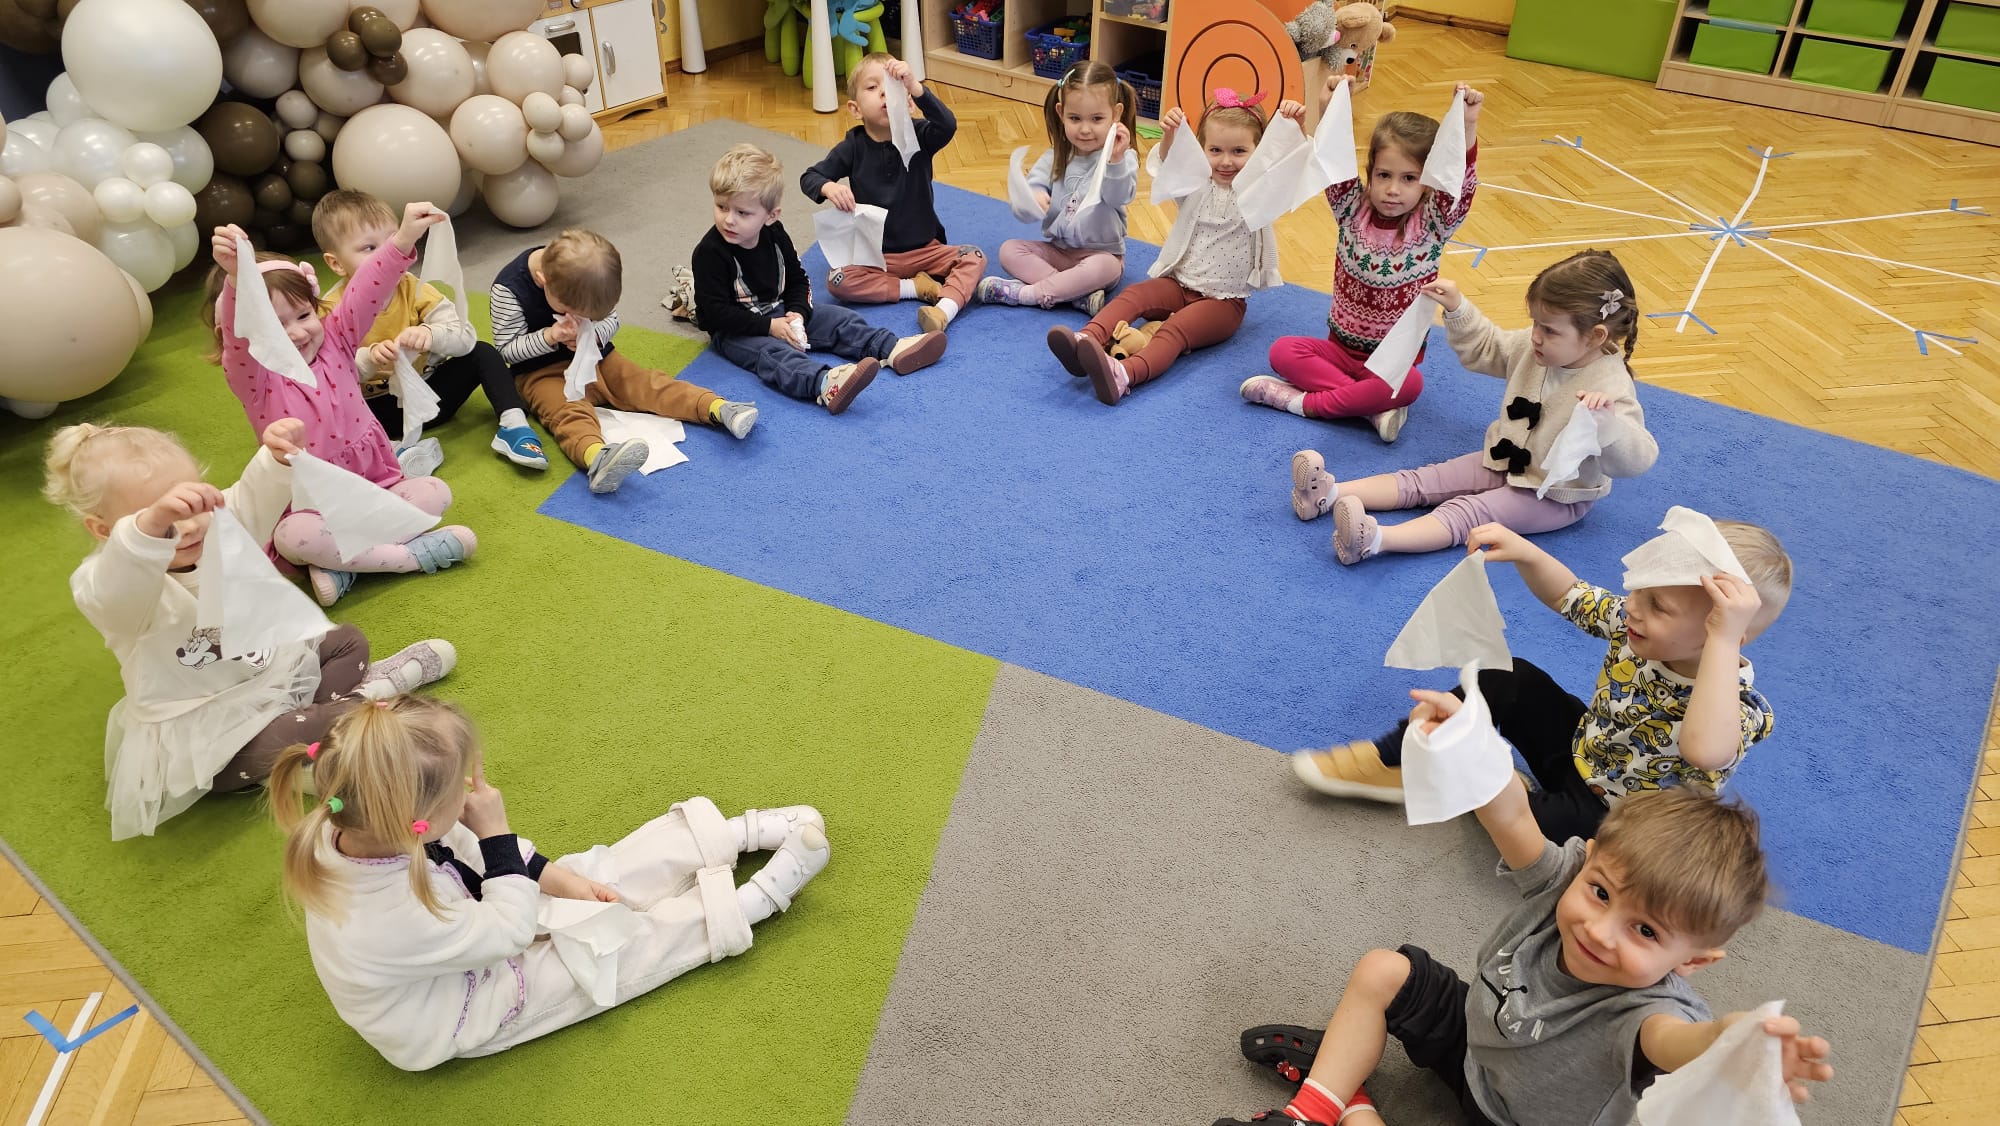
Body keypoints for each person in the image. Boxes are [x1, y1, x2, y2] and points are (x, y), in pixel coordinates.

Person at [1219, 781, 1833, 1126]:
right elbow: (1510, 815)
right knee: (1386, 970)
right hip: (1478, 1048)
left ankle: (1352, 1101)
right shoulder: (1564, 881)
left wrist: (1733, 1042)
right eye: (1600, 892)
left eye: (1645, 932)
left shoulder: (1649, 1015)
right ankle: (1312, 1112)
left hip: (1515, 1122)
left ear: (1691, 962)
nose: (1600, 930)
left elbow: (1679, 1044)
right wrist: (1468, 746)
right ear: (1589, 857)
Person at [269, 696, 829, 1070]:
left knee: (587, 873)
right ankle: (744, 907)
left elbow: (478, 855)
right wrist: (496, 832)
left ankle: (724, 837)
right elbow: (509, 931)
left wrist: (560, 879)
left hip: (463, 919)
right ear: (415, 818)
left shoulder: (369, 821)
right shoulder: (391, 919)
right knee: (604, 962)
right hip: (463, 1007)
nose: (474, 794)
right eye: (461, 791)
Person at [45, 420, 455, 840]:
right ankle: (362, 703)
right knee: (279, 738)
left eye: (192, 505)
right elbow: (118, 586)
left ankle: (317, 741)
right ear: (107, 532)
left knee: (347, 641)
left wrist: (274, 460)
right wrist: (149, 531)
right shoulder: (109, 587)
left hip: (270, 677)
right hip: (213, 733)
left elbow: (248, 503)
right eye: (165, 523)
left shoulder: (214, 531)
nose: (189, 526)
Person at [1295, 517, 1790, 844]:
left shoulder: (1739, 708)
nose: (1633, 608)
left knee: (1531, 831)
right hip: (1580, 750)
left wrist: (1723, 641)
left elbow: (1705, 750)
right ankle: (1398, 758)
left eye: (1657, 605)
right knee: (1510, 674)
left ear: (1726, 632)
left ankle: (1499, 784)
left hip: (1620, 823)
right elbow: (1570, 596)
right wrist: (1528, 554)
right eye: (1638, 591)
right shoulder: (1636, 624)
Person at [1292, 251, 1656, 565]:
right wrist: (1458, 308)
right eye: (1535, 323)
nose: (1535, 336)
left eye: (1549, 330)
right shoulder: (1533, 349)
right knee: (1426, 480)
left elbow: (1639, 458)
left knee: (1468, 512)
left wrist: (1608, 425)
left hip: (1553, 495)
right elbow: (1488, 347)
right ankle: (1327, 494)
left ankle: (1373, 541)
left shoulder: (1610, 385)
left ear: (1595, 336)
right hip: (1503, 458)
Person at [203, 204, 478, 607]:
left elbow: (367, 290)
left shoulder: (337, 340)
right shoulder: (256, 380)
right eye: (275, 326)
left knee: (435, 491)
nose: (296, 333)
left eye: (303, 315)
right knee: (292, 538)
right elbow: (238, 340)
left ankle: (347, 564)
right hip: (312, 509)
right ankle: (408, 557)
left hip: (374, 484)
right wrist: (234, 280)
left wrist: (402, 238)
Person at [1242, 78, 1483, 443]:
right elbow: (1332, 159)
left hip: (1392, 363)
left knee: (1412, 385)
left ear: (1428, 182)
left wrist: (1466, 126)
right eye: (1383, 175)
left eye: (1409, 178)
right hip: (1339, 352)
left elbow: (1460, 185)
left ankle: (1303, 403)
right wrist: (1330, 107)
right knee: (1283, 351)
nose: (1393, 189)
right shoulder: (1352, 208)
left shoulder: (1433, 223)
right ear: (1371, 173)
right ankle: (1369, 408)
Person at [1046, 89, 1301, 406]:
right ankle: (1086, 338)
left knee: (1174, 331)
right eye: (1215, 150)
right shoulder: (1196, 185)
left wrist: (1296, 125)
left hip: (1223, 304)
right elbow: (1169, 164)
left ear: (1258, 153)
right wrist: (1170, 135)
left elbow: (1291, 167)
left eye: (1239, 151)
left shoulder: (1259, 192)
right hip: (1179, 285)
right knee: (1134, 295)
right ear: (1201, 149)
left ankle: (1124, 374)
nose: (1225, 161)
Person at [490, 228, 757, 495]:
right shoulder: (509, 289)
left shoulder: (590, 277)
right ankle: (597, 457)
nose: (578, 319)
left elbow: (611, 319)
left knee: (646, 384)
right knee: (568, 413)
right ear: (543, 281)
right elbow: (506, 350)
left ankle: (717, 407)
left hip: (597, 357)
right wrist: (550, 337)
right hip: (540, 372)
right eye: (569, 312)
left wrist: (594, 335)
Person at [695, 143, 947, 414]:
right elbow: (714, 314)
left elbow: (797, 279)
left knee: (839, 318)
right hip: (735, 329)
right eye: (721, 207)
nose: (729, 220)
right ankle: (824, 383)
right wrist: (769, 326)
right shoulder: (710, 253)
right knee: (773, 355)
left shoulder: (775, 234)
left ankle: (891, 348)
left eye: (742, 213)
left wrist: (798, 313)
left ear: (771, 216)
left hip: (779, 310)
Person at [311, 189, 547, 474]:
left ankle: (513, 425)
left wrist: (431, 335)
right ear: (335, 263)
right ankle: (391, 452)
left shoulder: (412, 287)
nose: (387, 255)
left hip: (430, 400)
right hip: (376, 413)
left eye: (392, 240)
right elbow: (331, 378)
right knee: (326, 415)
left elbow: (464, 337)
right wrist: (369, 358)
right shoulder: (329, 310)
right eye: (370, 248)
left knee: (482, 352)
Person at [801, 52, 984, 335]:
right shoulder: (853, 146)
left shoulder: (920, 135)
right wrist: (829, 187)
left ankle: (943, 311)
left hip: (927, 249)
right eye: (872, 87)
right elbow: (809, 177)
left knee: (975, 257)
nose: (884, 93)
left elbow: (947, 125)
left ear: (908, 103)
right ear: (855, 109)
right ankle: (915, 287)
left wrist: (916, 87)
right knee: (837, 281)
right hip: (877, 257)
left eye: (892, 86)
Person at [977, 60, 1138, 314]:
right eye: (1075, 118)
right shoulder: (1054, 156)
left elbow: (1119, 197)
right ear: (1061, 113)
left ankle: (1026, 294)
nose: (1085, 129)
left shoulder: (1122, 157)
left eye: (1097, 119)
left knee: (1106, 268)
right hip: (1059, 252)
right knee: (1009, 250)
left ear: (1116, 114)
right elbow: (1025, 206)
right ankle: (1074, 294)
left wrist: (1116, 161)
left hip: (1100, 256)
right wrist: (1033, 197)